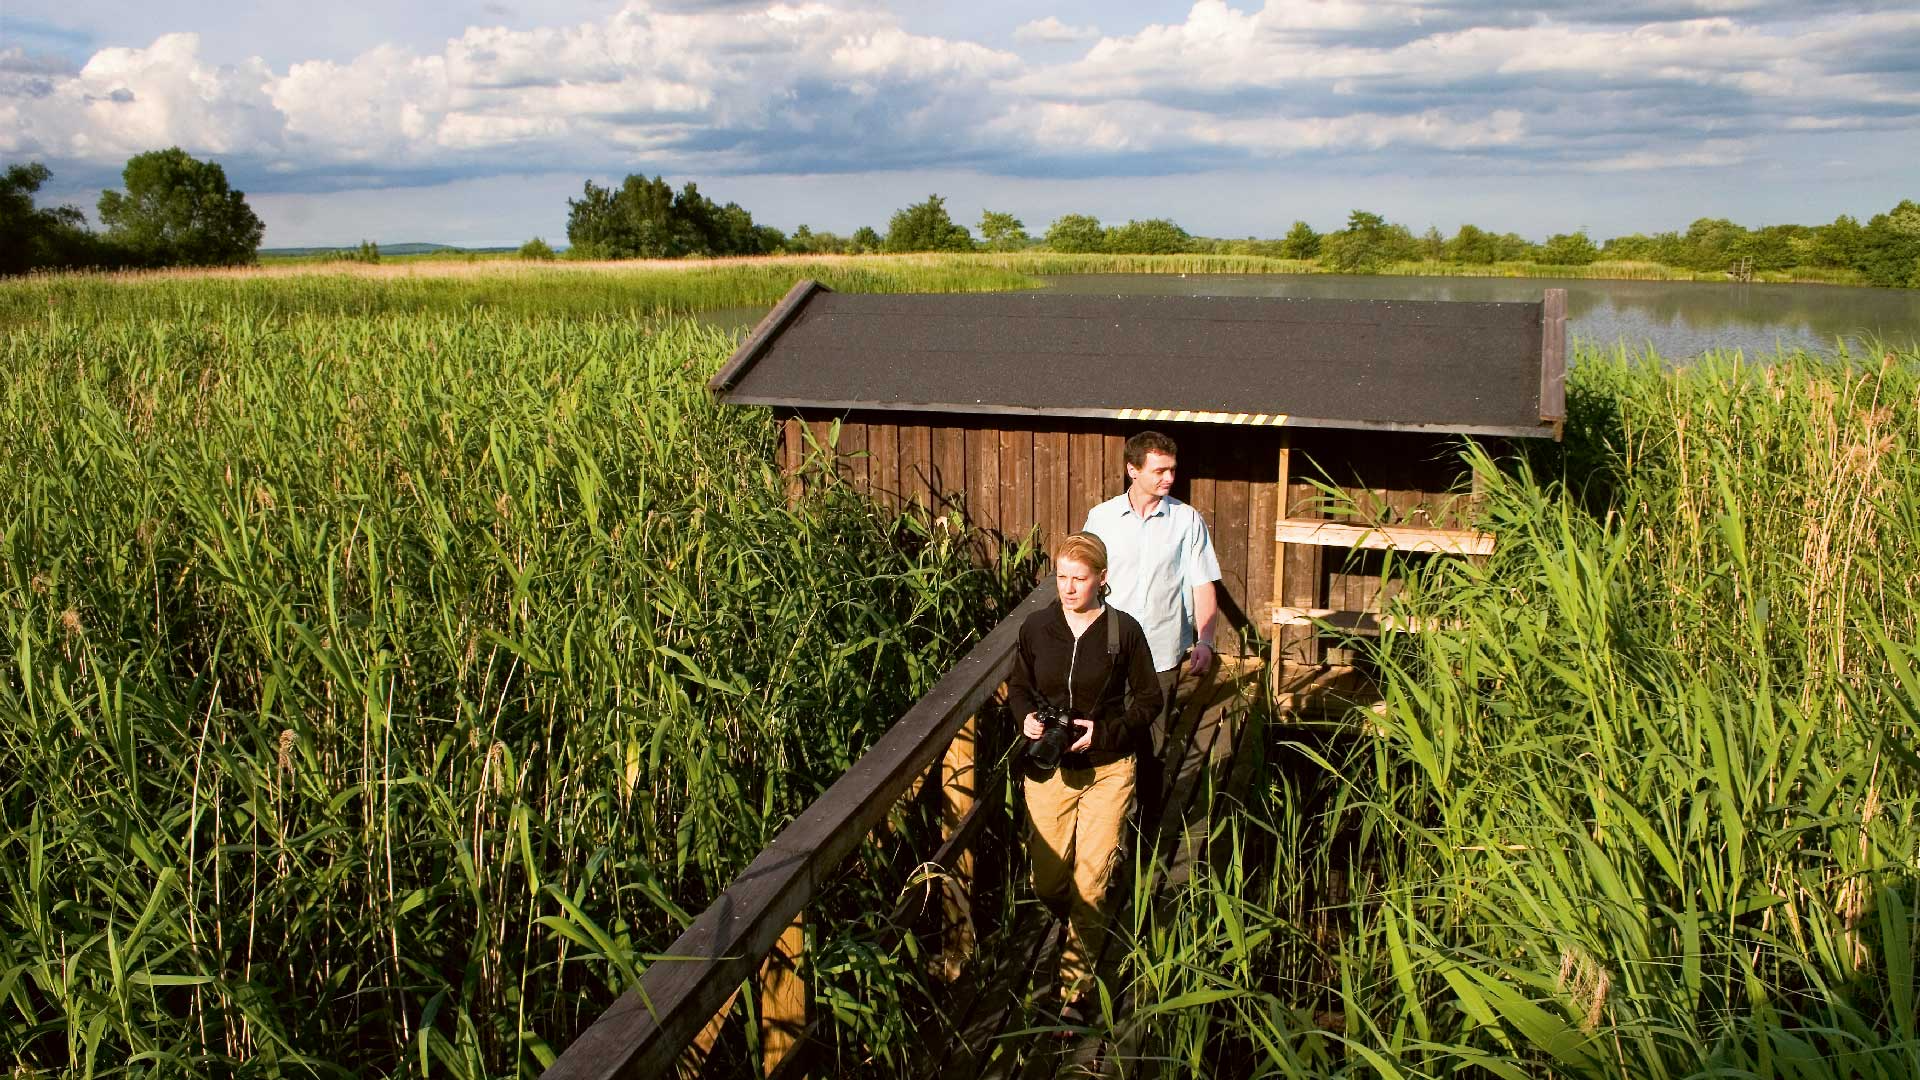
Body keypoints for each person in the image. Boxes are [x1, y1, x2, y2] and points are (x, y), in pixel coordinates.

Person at [1009, 532, 1162, 1022]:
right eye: (1062, 577)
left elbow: (1150, 700)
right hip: (1048, 769)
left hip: (1109, 769)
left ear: (1102, 579)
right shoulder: (1037, 627)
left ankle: (1073, 994)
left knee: (1092, 882)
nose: (1069, 588)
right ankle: (1076, 920)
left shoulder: (1124, 633)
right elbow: (1019, 686)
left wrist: (1105, 732)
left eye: (1079, 578)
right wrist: (1027, 720)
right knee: (1049, 881)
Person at [1081, 430, 1222, 820]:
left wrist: (1206, 641)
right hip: (1108, 650)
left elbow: (1202, 583)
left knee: (1153, 743)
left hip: (1161, 654)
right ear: (1133, 469)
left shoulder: (1186, 520)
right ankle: (1107, 821)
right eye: (1160, 470)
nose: (1169, 478)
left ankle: (1145, 828)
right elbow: (1083, 575)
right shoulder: (1102, 519)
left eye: (1172, 470)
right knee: (1104, 735)